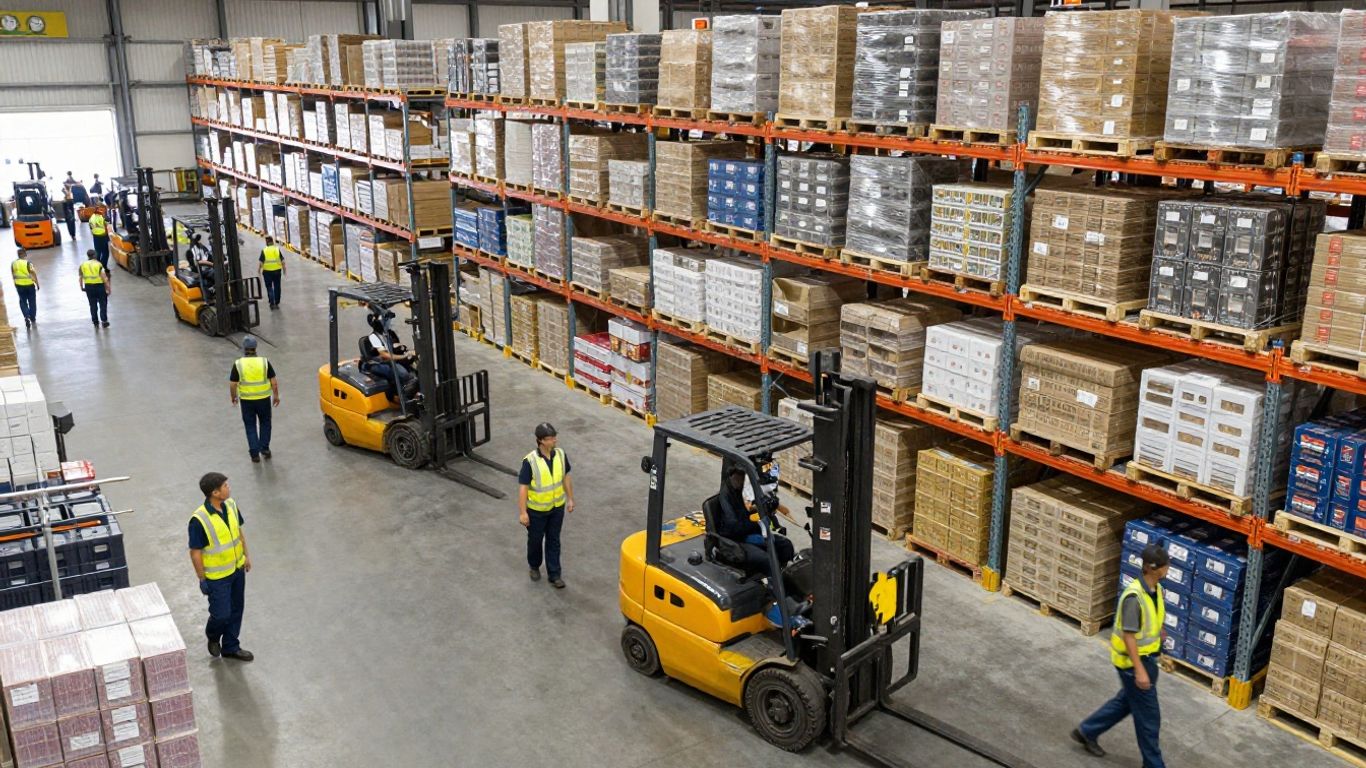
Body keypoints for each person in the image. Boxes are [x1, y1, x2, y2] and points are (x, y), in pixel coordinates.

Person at [1073, 544, 1170, 768]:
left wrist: (1161, 652)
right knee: (1149, 719)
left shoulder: (1156, 591)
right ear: (1155, 569)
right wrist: (1139, 670)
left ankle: (1087, 731)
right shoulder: (1134, 598)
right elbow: (1129, 636)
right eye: (1166, 565)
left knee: (1126, 702)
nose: (1168, 568)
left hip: (1149, 659)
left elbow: (1153, 625)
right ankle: (1154, 765)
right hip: (1132, 664)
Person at [188, 472, 253, 662]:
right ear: (215, 493)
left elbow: (238, 532)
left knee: (236, 609)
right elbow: (195, 552)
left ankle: (231, 647)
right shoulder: (199, 520)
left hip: (237, 569)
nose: (229, 488)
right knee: (221, 615)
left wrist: (246, 556)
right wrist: (202, 578)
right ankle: (213, 635)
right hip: (217, 578)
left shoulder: (231, 505)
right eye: (225, 486)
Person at [519, 423, 573, 589]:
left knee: (554, 540)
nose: (554, 441)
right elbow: (523, 488)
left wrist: (570, 498)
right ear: (540, 441)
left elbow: (566, 477)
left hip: (557, 507)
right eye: (550, 439)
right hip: (537, 511)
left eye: (554, 437)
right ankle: (534, 566)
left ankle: (555, 574)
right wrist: (523, 513)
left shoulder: (561, 455)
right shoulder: (530, 461)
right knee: (535, 540)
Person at [715, 464, 795, 573]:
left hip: (746, 530)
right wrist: (755, 523)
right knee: (766, 559)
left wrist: (761, 508)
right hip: (736, 537)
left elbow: (744, 512)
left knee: (786, 544)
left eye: (744, 476)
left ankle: (785, 574)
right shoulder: (726, 496)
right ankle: (774, 583)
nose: (742, 480)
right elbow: (734, 526)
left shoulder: (736, 490)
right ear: (733, 475)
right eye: (740, 476)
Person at [229, 336, 279, 463]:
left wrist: (233, 397)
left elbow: (233, 384)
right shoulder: (264, 362)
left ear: (244, 349)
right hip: (263, 400)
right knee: (265, 423)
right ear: (255, 348)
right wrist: (276, 396)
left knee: (250, 426)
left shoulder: (238, 364)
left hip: (247, 401)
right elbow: (274, 382)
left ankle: (254, 454)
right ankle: (265, 449)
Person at [360, 310, 417, 405]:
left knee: (413, 369)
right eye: (387, 320)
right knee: (402, 373)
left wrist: (405, 350)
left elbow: (394, 345)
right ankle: (403, 399)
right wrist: (403, 356)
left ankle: (412, 393)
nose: (389, 322)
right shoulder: (373, 337)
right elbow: (384, 355)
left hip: (388, 361)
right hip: (376, 364)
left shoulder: (388, 334)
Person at [78, 250, 110, 328]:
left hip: (88, 287)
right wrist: (108, 287)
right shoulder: (98, 264)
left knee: (92, 304)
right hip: (99, 286)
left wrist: (81, 287)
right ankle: (104, 321)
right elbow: (104, 277)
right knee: (103, 303)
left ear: (88, 256)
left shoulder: (82, 265)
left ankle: (95, 322)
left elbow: (80, 277)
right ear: (95, 255)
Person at [11, 249, 38, 328]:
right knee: (32, 301)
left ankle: (26, 316)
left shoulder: (13, 263)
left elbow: (13, 275)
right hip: (30, 285)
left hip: (19, 286)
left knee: (23, 302)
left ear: (18, 255)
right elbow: (34, 273)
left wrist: (15, 284)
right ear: (25, 254)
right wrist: (37, 283)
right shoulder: (28, 263)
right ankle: (32, 317)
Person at [259, 236, 285, 309]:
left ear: (267, 242)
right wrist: (284, 269)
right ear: (272, 242)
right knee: (277, 286)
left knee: (269, 287)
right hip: (277, 271)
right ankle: (276, 302)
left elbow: (261, 262)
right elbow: (282, 261)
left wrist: (259, 270)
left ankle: (272, 302)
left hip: (267, 272)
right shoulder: (277, 249)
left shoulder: (264, 250)